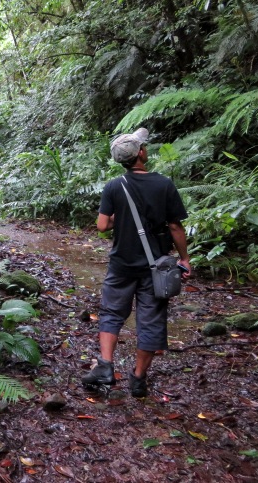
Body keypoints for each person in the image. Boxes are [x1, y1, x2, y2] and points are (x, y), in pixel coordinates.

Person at [82, 128, 191, 397]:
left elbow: (102, 226)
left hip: (122, 263)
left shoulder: (114, 186)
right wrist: (185, 259)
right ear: (141, 153)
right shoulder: (164, 184)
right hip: (157, 267)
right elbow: (175, 227)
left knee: (111, 312)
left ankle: (106, 366)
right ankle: (139, 379)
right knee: (151, 320)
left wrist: (126, 217)